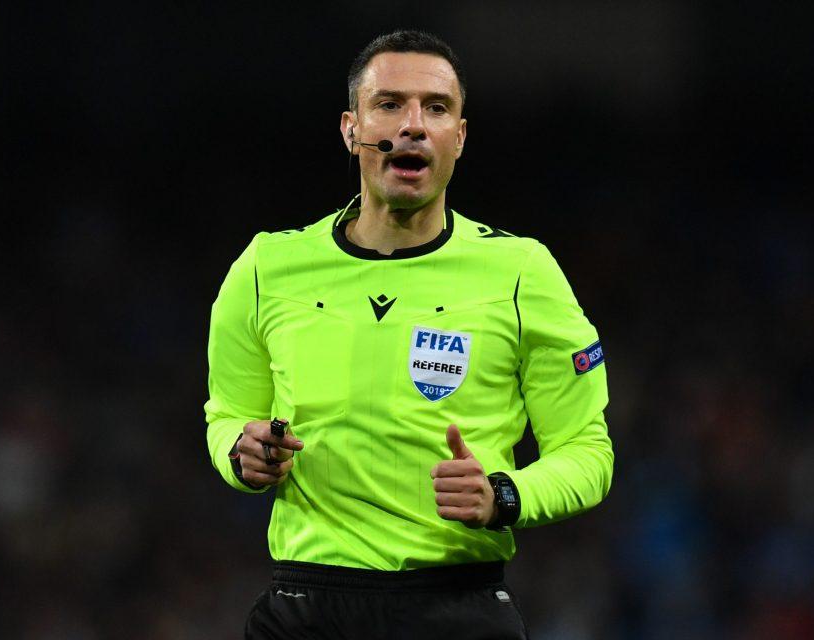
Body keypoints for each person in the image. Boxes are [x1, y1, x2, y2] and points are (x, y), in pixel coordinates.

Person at [204, 30, 614, 640]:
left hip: (456, 606)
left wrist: (505, 495)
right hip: (306, 607)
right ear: (351, 129)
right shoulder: (266, 268)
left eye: (436, 108)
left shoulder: (522, 272)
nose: (414, 125)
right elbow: (227, 416)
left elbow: (588, 452)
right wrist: (243, 453)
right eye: (390, 104)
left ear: (460, 138)